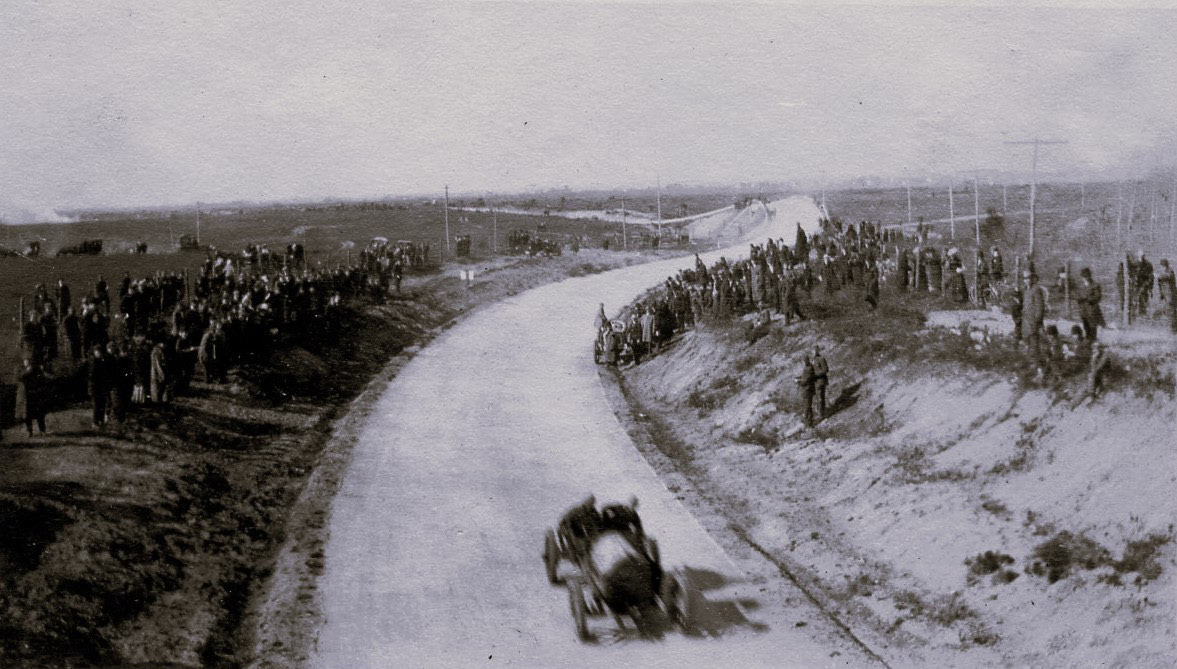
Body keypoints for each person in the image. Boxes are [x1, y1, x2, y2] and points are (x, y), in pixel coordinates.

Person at [1021, 271, 1048, 363]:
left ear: (1032, 279)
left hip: (1034, 320)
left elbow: (1040, 306)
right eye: (1025, 279)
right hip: (1027, 320)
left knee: (1035, 340)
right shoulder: (1026, 290)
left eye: (1028, 278)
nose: (1026, 280)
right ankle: (1031, 360)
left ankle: (1037, 361)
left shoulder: (1036, 289)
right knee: (1029, 340)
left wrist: (1037, 319)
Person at [17, 359, 47, 438]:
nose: (26, 363)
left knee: (39, 414)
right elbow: (20, 378)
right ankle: (30, 432)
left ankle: (42, 431)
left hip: (36, 396)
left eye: (28, 362)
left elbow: (42, 380)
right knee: (28, 415)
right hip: (27, 397)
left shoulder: (37, 371)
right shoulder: (23, 372)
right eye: (25, 362)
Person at [1076, 267, 1104, 342]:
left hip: (1092, 311)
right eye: (1083, 277)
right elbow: (1077, 295)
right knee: (1086, 327)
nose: (1084, 278)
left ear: (1089, 276)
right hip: (1083, 311)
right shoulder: (1081, 286)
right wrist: (1078, 299)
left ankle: (1092, 341)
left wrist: (1088, 299)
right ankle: (1088, 341)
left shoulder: (1095, 285)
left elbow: (1098, 297)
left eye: (1086, 276)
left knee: (1093, 328)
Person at [87, 345, 110, 429]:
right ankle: (95, 423)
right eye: (98, 352)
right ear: (95, 352)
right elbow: (92, 376)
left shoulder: (101, 361)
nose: (99, 354)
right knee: (96, 405)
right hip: (95, 387)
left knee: (102, 404)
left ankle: (100, 421)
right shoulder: (93, 361)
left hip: (100, 387)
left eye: (100, 352)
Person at [796, 355, 817, 426]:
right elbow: (806, 377)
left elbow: (805, 381)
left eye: (804, 360)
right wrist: (800, 377)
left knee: (807, 406)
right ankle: (809, 422)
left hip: (807, 390)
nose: (804, 362)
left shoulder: (808, 368)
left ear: (806, 360)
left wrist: (798, 382)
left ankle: (808, 422)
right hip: (808, 389)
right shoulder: (809, 367)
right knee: (808, 406)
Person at [812, 346, 829, 420]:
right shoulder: (813, 360)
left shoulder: (821, 359)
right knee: (817, 398)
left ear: (817, 351)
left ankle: (821, 415)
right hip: (815, 382)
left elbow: (826, 370)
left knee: (820, 398)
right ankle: (820, 413)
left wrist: (816, 375)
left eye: (815, 350)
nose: (813, 352)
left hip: (821, 381)